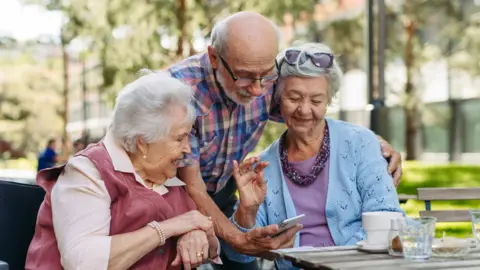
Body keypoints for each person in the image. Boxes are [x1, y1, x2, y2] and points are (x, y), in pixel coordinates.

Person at [168, 11, 403, 269]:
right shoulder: (179, 93)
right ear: (214, 57)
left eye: (266, 75)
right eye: (245, 76)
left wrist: (372, 142)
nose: (258, 90)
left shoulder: (268, 81)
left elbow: (309, 111)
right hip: (172, 192)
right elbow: (193, 189)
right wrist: (240, 233)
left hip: (222, 192)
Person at [222, 43, 405, 268]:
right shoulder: (264, 167)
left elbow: (388, 217)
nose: (305, 110)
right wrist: (247, 210)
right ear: (278, 99)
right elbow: (240, 255)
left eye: (316, 100)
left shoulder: (360, 144)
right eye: (294, 98)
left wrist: (330, 262)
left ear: (329, 100)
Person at [26, 73, 221, 270]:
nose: (188, 148)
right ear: (143, 143)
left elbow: (210, 250)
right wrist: (167, 229)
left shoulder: (167, 173)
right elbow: (84, 263)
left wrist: (197, 234)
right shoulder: (87, 173)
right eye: (180, 138)